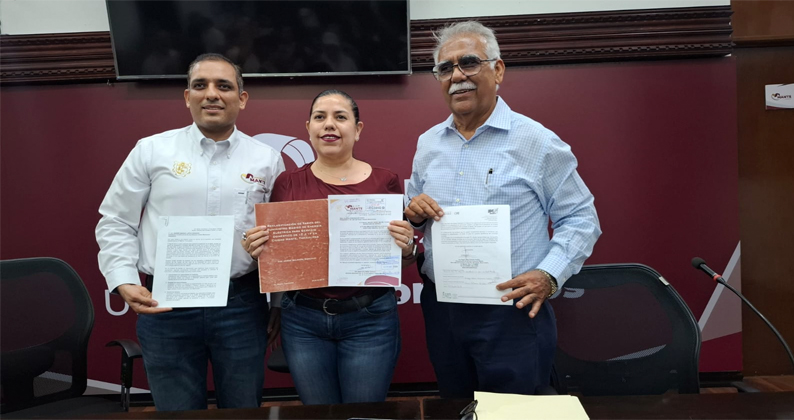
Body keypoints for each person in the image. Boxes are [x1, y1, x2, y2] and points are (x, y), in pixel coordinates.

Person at [404, 21, 602, 398]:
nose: (457, 76)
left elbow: (581, 218)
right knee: (455, 406)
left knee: (514, 410)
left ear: (497, 70)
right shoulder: (428, 144)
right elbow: (414, 212)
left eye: (469, 63)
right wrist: (413, 212)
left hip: (510, 312)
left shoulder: (537, 142)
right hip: (443, 308)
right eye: (445, 68)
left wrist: (549, 274)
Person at [95, 53, 284, 410]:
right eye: (200, 85)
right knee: (177, 413)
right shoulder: (152, 150)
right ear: (187, 97)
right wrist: (123, 279)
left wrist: (278, 302)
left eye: (223, 86)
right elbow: (116, 220)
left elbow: (278, 234)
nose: (212, 94)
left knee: (243, 411)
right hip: (166, 306)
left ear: (242, 98)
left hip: (241, 306)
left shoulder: (267, 159)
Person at [242, 89, 416, 405]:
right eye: (320, 117)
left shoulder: (385, 182)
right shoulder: (287, 183)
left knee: (363, 413)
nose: (329, 125)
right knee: (318, 412)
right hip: (303, 321)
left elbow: (401, 260)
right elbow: (281, 257)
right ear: (308, 128)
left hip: (369, 318)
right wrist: (261, 251)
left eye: (340, 117)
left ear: (357, 129)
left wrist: (406, 249)